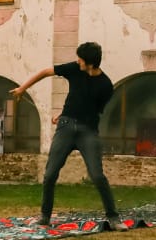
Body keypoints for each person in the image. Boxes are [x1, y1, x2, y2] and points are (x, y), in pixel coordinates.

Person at [10, 41, 124, 230]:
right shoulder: (74, 69)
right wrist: (23, 88)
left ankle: (114, 218)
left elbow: (92, 109)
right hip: (65, 127)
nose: (77, 60)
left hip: (88, 131)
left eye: (81, 59)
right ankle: (45, 216)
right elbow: (46, 72)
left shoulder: (106, 86)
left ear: (90, 63)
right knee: (50, 174)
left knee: (97, 175)